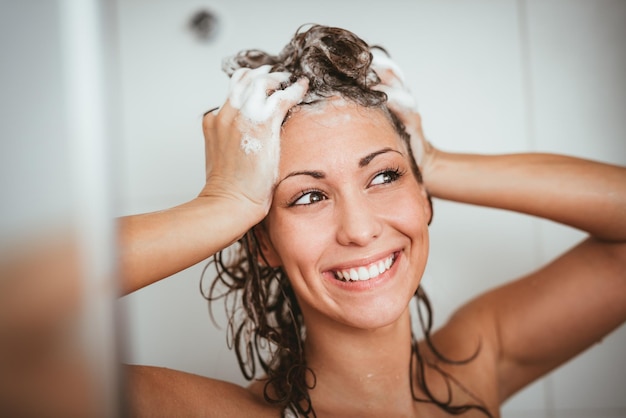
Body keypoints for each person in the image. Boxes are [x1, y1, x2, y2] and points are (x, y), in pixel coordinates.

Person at [119, 24, 626, 417]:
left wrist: (437, 161)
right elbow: (34, 323)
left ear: (422, 194)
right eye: (309, 196)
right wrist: (225, 202)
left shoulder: (478, 364)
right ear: (263, 244)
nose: (359, 229)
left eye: (384, 176)